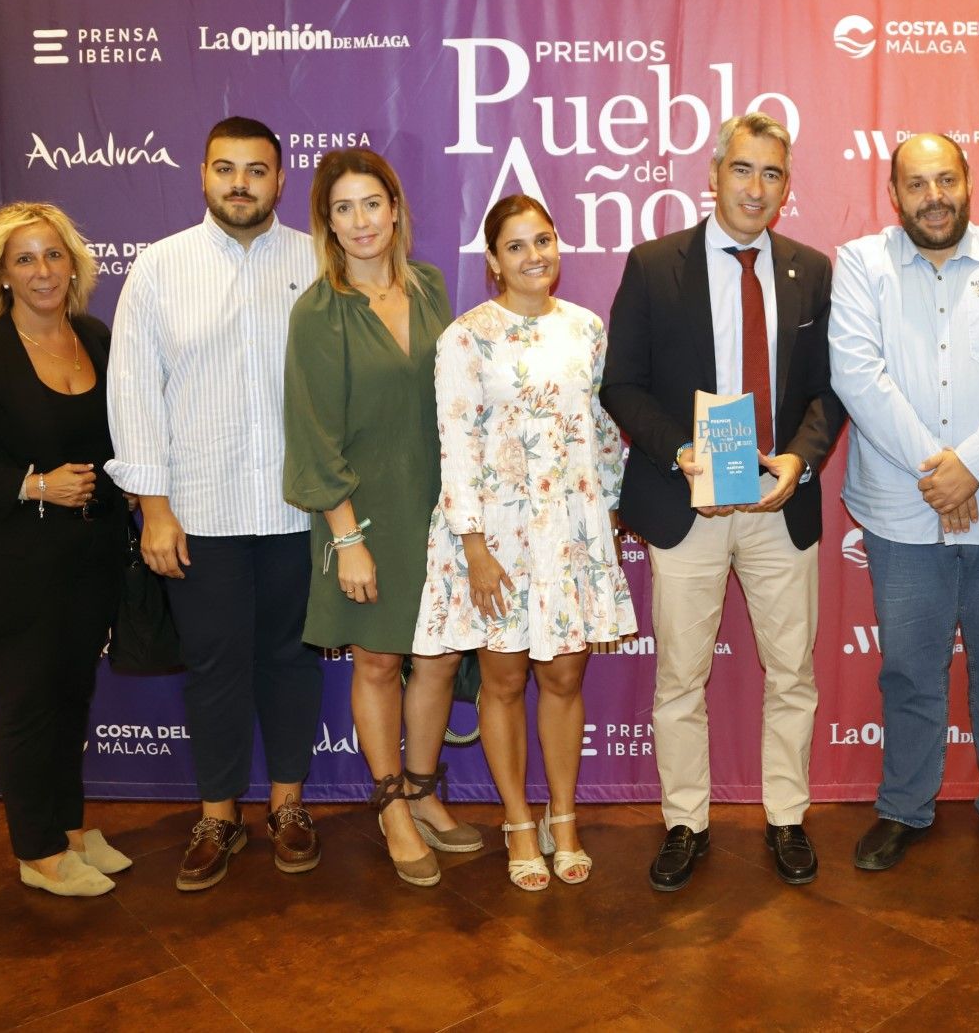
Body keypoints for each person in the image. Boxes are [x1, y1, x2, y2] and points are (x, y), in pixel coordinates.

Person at [601, 113, 845, 891]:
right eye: (743, 169)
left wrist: (799, 463)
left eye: (773, 174)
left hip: (779, 505)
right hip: (687, 506)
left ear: (787, 187)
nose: (756, 187)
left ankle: (785, 816)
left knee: (792, 673)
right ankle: (684, 821)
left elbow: (828, 391)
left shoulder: (813, 268)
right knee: (678, 676)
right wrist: (681, 453)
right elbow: (621, 384)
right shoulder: (653, 264)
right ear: (714, 175)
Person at [830, 133, 979, 872]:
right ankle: (904, 805)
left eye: (945, 180)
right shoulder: (861, 264)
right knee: (908, 667)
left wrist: (970, 466)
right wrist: (939, 473)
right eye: (916, 184)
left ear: (968, 182)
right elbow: (857, 375)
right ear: (894, 195)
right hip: (903, 511)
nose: (933, 196)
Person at [107, 117, 325, 891]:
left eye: (257, 170)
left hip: (300, 512)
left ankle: (290, 805)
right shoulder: (160, 268)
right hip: (197, 517)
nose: (241, 183)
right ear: (202, 174)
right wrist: (152, 509)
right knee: (214, 669)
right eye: (226, 168)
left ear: (280, 178)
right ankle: (218, 814)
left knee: (295, 662)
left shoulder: (317, 259)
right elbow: (134, 393)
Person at [415, 195, 638, 891]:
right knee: (505, 680)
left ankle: (562, 815)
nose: (533, 255)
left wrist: (612, 511)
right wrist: (472, 544)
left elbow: (605, 432)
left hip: (571, 530)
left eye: (543, 240)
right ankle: (517, 819)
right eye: (516, 245)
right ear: (492, 261)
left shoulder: (587, 329)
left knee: (566, 675)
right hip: (496, 537)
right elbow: (457, 444)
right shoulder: (466, 337)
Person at [0, 203, 132, 897]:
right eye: (25, 259)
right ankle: (37, 852)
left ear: (73, 264)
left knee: (71, 698)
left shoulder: (97, 338)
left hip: (87, 562)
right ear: (2, 275)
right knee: (29, 707)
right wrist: (33, 484)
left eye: (53, 255)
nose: (42, 270)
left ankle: (69, 831)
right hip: (13, 571)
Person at [283, 147, 472, 888]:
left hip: (438, 507)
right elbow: (313, 433)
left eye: (372, 204)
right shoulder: (318, 310)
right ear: (326, 224)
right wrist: (348, 540)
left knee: (438, 656)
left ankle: (424, 792)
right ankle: (390, 802)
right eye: (343, 209)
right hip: (362, 516)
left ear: (395, 209)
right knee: (378, 659)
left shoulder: (428, 287)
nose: (361, 222)